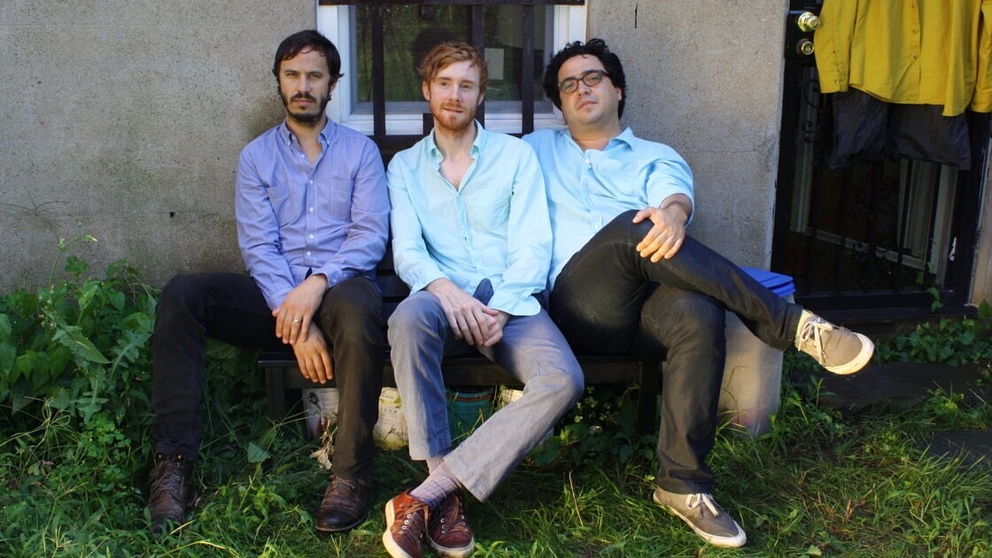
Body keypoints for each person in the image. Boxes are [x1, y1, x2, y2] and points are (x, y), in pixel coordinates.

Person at [523, 39, 875, 549]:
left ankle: (682, 484)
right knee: (628, 227)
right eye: (569, 85)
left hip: (647, 312)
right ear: (560, 103)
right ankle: (791, 324)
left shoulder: (655, 156)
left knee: (696, 310)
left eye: (593, 77)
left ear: (617, 89)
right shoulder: (533, 151)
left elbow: (674, 198)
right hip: (579, 308)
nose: (582, 89)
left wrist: (672, 215)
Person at [146, 30, 389, 535]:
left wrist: (317, 283)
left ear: (333, 84)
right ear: (279, 81)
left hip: (340, 290)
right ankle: (174, 466)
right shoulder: (256, 157)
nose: (303, 86)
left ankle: (350, 476)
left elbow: (369, 235)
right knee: (183, 295)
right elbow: (259, 247)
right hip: (275, 297)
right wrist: (296, 322)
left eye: (314, 76)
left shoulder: (360, 152)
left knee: (357, 307)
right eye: (292, 75)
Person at [381, 42, 584, 558]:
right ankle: (443, 492)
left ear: (480, 95)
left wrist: (502, 309)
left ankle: (427, 496)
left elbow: (533, 244)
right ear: (427, 90)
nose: (455, 95)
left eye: (466, 85)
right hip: (440, 299)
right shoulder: (404, 167)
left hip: (508, 303)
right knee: (407, 320)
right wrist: (446, 292)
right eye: (445, 83)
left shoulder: (515, 157)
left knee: (563, 378)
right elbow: (407, 251)